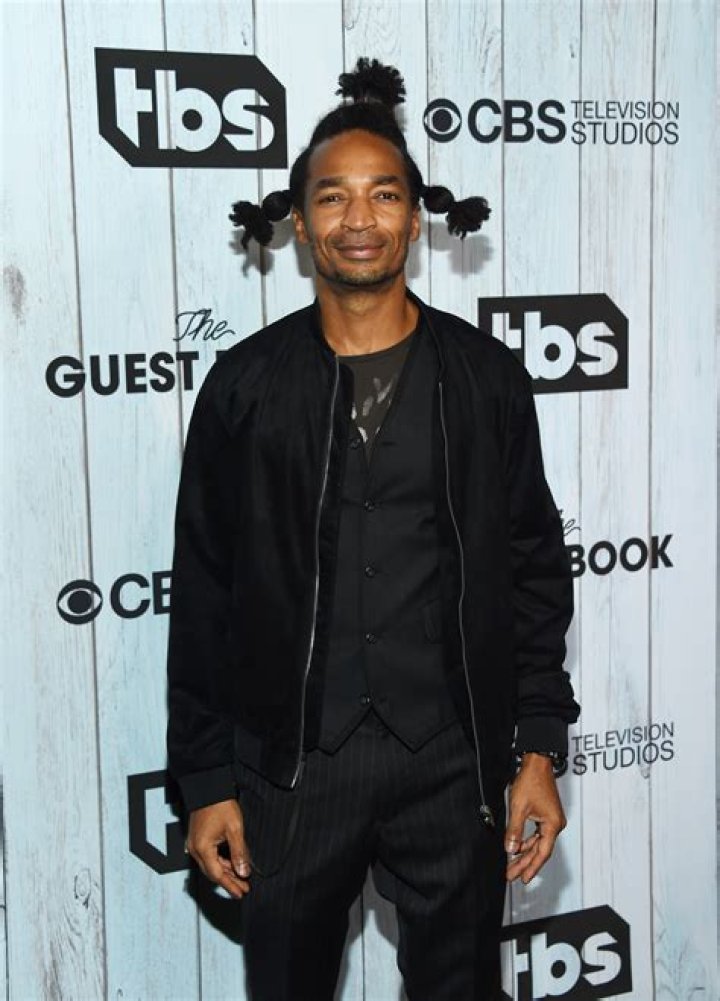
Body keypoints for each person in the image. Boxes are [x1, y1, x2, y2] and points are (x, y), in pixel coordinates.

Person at [167, 58, 580, 1001]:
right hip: (293, 770)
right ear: (299, 219)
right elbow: (205, 590)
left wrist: (537, 746)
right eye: (334, 197)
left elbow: (533, 569)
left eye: (384, 194)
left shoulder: (486, 379)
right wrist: (207, 778)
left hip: (452, 764)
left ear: (417, 215)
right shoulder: (244, 386)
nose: (360, 218)